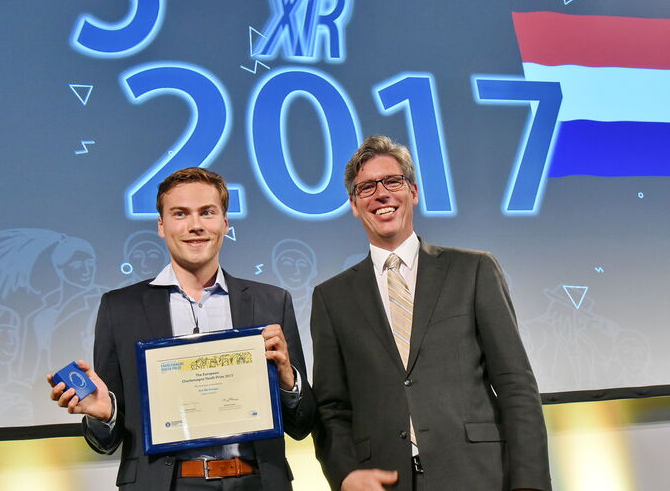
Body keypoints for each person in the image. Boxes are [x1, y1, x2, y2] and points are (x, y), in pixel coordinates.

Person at [47, 167, 315, 490]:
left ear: (225, 223)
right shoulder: (119, 309)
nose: (195, 225)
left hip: (257, 482)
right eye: (180, 214)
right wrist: (105, 415)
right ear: (161, 225)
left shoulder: (272, 302)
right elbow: (107, 441)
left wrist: (287, 380)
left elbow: (302, 425)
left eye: (207, 212)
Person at [310, 136, 551, 491]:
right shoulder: (331, 298)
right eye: (367, 188)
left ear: (413, 192)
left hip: (479, 476)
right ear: (354, 205)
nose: (381, 194)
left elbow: (516, 385)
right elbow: (331, 408)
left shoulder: (473, 271)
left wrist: (529, 484)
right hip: (386, 481)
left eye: (392, 181)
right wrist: (345, 474)